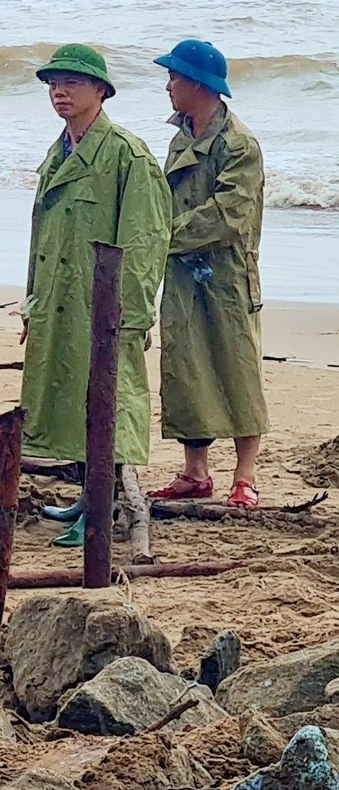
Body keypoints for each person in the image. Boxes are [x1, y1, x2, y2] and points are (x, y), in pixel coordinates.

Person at [19, 45, 170, 547]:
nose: (59, 92)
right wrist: (32, 301)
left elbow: (146, 241)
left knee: (108, 403)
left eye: (72, 83)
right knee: (69, 402)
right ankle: (88, 496)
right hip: (60, 300)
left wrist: (130, 313)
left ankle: (104, 510)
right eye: (52, 84)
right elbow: (41, 236)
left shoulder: (127, 154)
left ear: (101, 91)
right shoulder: (58, 149)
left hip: (103, 306)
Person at [148, 39, 267, 508]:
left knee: (236, 371)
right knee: (184, 368)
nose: (168, 84)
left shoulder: (239, 145)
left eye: (175, 76)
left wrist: (162, 237)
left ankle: (245, 476)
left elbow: (227, 215)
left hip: (226, 276)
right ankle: (195, 473)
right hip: (181, 273)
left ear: (198, 83)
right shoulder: (181, 136)